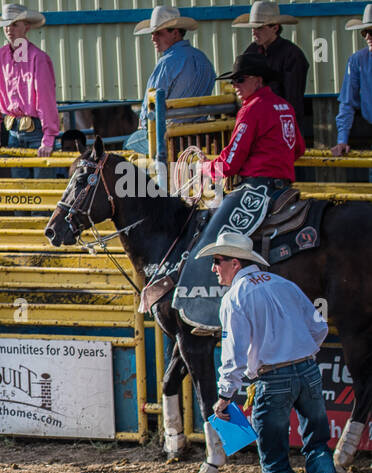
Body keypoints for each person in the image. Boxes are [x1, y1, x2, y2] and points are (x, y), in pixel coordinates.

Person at [196, 231, 352, 473]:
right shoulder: (283, 284)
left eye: (217, 261)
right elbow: (319, 328)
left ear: (234, 262)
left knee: (274, 460)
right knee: (317, 443)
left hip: (272, 379)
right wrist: (299, 350)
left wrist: (225, 396)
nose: (214, 269)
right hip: (307, 370)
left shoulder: (235, 298)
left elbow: (233, 356)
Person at [173, 53, 304, 334]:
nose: (235, 85)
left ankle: (205, 313)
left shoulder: (253, 109)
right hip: (284, 187)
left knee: (213, 236)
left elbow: (230, 161)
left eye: (240, 80)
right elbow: (299, 148)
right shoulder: (284, 107)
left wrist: (204, 167)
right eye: (233, 80)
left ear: (257, 80)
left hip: (256, 189)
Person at [124, 5, 216, 155]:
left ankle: (146, 178)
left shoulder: (167, 62)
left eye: (158, 33)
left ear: (175, 33)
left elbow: (149, 107)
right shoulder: (203, 60)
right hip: (199, 134)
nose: (153, 38)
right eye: (153, 33)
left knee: (128, 144)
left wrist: (143, 126)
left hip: (169, 137)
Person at [0, 4, 58, 178]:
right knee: (19, 186)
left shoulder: (38, 58)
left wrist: (47, 139)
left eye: (15, 24)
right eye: (7, 25)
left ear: (27, 27)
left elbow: (45, 100)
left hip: (37, 129)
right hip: (13, 130)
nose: (9, 29)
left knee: (42, 185)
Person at [235, 1, 309, 124]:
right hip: (256, 119)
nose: (254, 32)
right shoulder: (251, 51)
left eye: (259, 28)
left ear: (275, 27)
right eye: (253, 28)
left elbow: (292, 99)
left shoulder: (292, 55)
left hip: (280, 120)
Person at [332, 4, 372, 173]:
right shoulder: (357, 60)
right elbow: (347, 102)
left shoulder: (358, 60)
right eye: (365, 32)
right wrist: (342, 139)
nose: (368, 36)